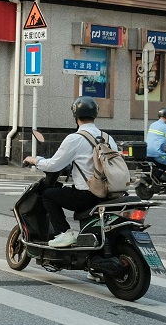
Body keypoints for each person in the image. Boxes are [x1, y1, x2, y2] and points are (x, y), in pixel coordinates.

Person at [22, 96, 118, 248]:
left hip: (88, 195)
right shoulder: (108, 138)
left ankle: (65, 233)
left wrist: (35, 160)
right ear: (95, 114)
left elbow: (53, 165)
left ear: (76, 116)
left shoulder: (75, 138)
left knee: (48, 195)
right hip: (110, 193)